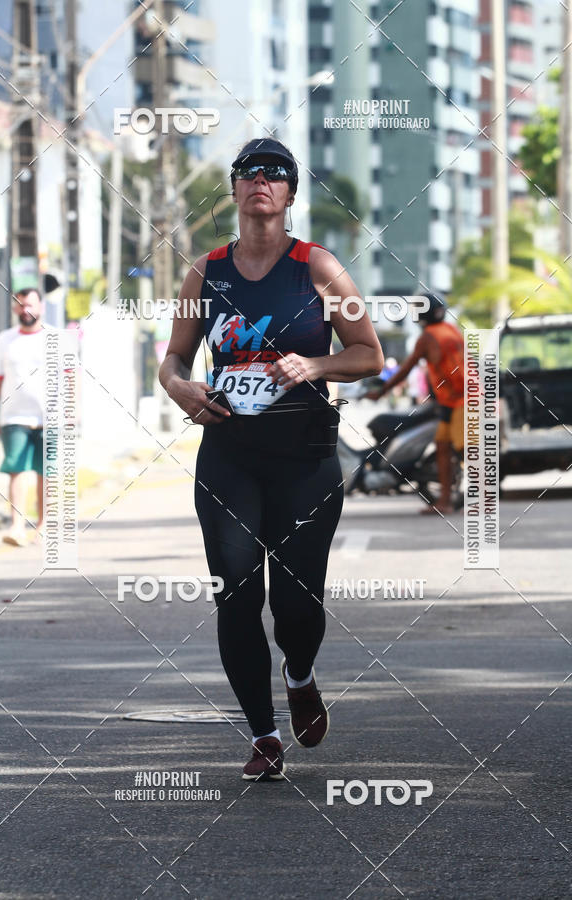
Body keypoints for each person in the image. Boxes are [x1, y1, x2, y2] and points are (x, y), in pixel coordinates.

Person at [159, 137, 383, 781]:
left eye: (276, 174)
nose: (262, 181)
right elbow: (174, 358)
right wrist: (182, 389)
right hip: (230, 452)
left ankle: (301, 673)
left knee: (296, 602)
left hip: (306, 454)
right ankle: (262, 733)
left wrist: (315, 363)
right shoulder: (206, 272)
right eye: (250, 173)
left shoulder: (317, 268)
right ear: (234, 190)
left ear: (289, 193)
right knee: (235, 594)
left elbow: (369, 352)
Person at [365, 293, 464, 514]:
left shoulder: (428, 337)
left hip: (461, 400)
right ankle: (445, 501)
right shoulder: (452, 331)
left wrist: (381, 391)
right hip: (452, 401)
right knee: (443, 446)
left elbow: (407, 369)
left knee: (465, 450)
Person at [0, 287, 46, 546]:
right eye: (21, 305)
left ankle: (44, 525)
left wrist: (71, 413)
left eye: (30, 304)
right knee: (17, 470)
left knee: (48, 472)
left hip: (50, 417)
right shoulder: (4, 340)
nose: (26, 310)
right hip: (14, 417)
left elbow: (70, 377)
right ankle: (17, 525)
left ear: (41, 307)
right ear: (14, 309)